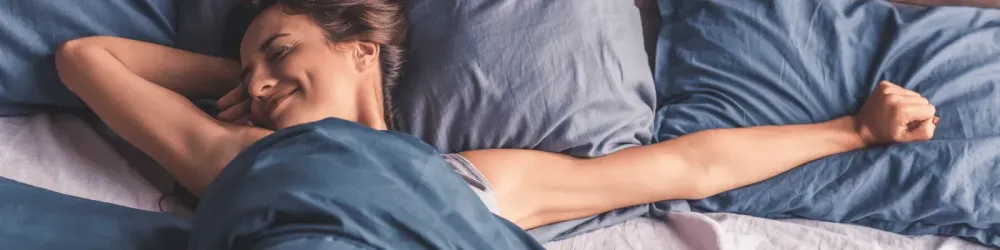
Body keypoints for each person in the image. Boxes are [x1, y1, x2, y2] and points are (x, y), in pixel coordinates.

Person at [54, 0, 939, 232]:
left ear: (361, 48)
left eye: (280, 50)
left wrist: (854, 133)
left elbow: (687, 170)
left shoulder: (481, 179)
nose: (260, 81)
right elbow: (84, 57)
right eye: (250, 70)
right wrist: (252, 82)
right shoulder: (228, 152)